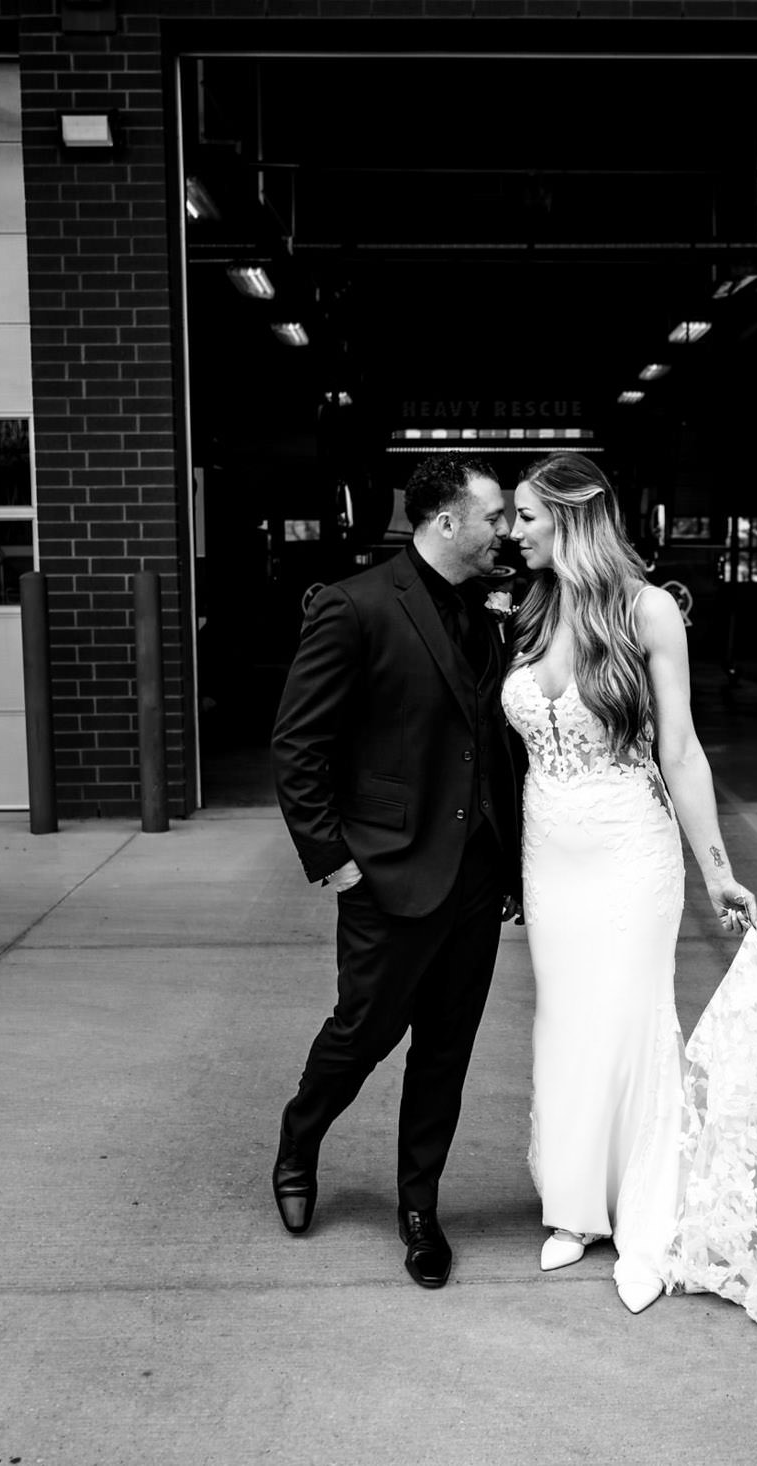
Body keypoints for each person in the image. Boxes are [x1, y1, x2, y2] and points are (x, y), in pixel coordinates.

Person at [503, 450, 757, 1341]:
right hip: (548, 851)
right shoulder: (532, 611)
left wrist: (718, 868)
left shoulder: (649, 612)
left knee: (634, 1017)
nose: (513, 531)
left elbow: (680, 751)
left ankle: (643, 1213)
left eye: (526, 515)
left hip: (633, 852)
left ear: (571, 516)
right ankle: (574, 1206)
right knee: (565, 1020)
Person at [269, 453, 523, 1290]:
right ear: (447, 522)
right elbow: (298, 746)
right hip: (386, 870)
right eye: (494, 518)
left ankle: (420, 1208)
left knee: (447, 1050)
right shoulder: (355, 607)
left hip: (478, 872)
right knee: (363, 1033)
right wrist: (332, 864)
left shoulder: (496, 610)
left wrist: (514, 857)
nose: (506, 532)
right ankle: (301, 1134)